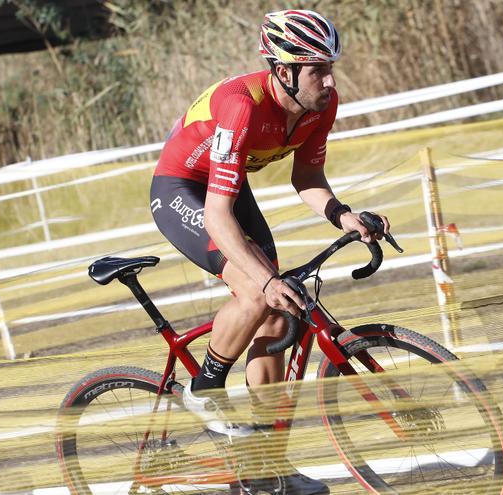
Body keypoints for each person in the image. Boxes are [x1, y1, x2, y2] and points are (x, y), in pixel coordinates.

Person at [150, 9, 390, 495]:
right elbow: (217, 216)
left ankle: (266, 471)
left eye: (331, 67)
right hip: (184, 190)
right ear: (284, 71)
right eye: (318, 68)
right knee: (259, 292)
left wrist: (344, 215)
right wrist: (261, 280)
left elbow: (308, 179)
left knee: (280, 318)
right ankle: (207, 385)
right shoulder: (243, 106)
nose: (329, 79)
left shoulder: (322, 103)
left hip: (228, 189)